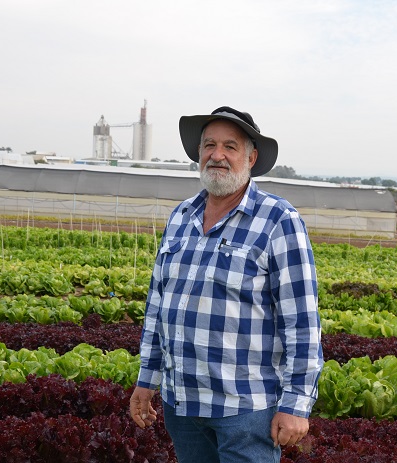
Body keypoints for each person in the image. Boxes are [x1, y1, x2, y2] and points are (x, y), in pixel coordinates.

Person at [130, 106, 323, 463]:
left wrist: (296, 403)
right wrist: (147, 378)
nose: (217, 155)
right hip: (182, 404)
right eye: (209, 145)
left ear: (251, 157)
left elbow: (302, 322)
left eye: (230, 146)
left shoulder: (278, 220)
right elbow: (158, 305)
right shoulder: (181, 217)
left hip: (245, 410)